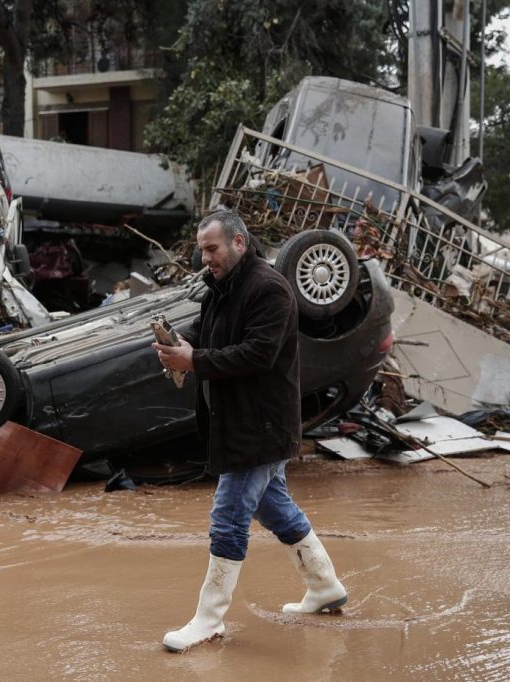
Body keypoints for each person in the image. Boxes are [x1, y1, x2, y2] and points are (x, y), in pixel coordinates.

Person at [153, 209, 347, 653]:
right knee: (273, 508)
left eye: (211, 249)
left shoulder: (271, 288)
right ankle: (325, 586)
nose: (205, 259)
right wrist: (178, 342)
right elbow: (205, 331)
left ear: (239, 242)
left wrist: (194, 362)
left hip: (262, 425)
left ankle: (209, 619)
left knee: (228, 516)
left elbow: (257, 354)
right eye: (202, 250)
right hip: (240, 421)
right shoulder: (221, 288)